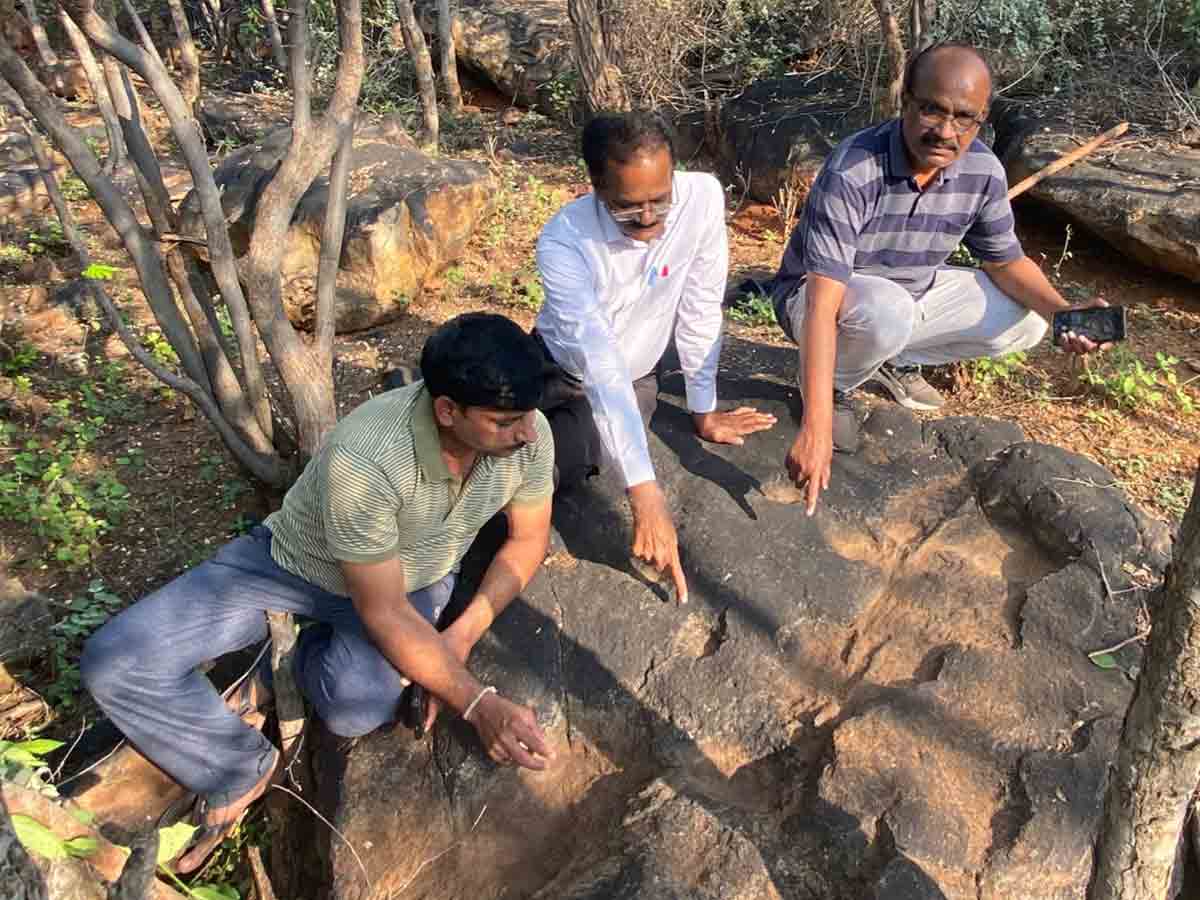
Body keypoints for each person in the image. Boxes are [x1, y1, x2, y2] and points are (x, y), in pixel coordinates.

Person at [80, 313, 557, 871]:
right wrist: (476, 702)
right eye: (505, 421)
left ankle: (270, 667)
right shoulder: (369, 455)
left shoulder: (531, 435)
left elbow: (527, 541)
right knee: (116, 662)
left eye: (526, 416)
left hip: (413, 581)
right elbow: (381, 613)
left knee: (357, 706)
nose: (526, 433)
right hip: (288, 569)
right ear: (447, 410)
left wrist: (461, 634)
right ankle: (237, 766)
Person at [773, 42, 1107, 515]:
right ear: (905, 100)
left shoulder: (982, 170)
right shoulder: (855, 167)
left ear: (982, 118)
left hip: (906, 297)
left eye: (964, 117)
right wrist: (816, 426)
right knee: (885, 311)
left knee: (1027, 321)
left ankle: (886, 358)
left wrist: (1065, 315)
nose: (946, 132)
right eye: (931, 110)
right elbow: (824, 300)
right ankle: (834, 386)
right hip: (817, 299)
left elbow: (1006, 262)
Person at [535, 111, 777, 602]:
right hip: (551, 362)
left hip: (635, 377)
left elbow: (702, 302)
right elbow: (596, 353)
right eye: (627, 207)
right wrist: (645, 494)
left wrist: (703, 410)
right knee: (476, 420)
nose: (648, 219)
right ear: (597, 187)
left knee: (548, 470)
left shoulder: (702, 199)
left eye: (659, 201)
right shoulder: (564, 242)